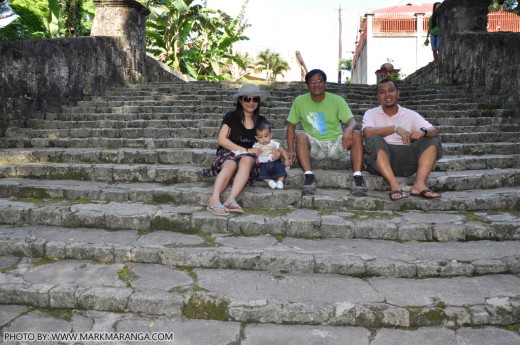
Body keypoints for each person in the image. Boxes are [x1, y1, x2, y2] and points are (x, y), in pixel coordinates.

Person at [285, 69, 367, 196]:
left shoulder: (337, 100)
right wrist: (290, 150)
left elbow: (352, 122)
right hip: (315, 145)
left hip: (337, 143)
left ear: (325, 83)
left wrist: (349, 129)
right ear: (307, 85)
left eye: (320, 81)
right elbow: (291, 127)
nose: (316, 84)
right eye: (312, 82)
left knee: (356, 134)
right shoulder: (299, 101)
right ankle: (309, 177)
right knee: (300, 135)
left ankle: (357, 178)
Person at [362, 78, 443, 201]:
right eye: (382, 92)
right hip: (380, 160)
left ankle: (419, 184)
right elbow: (367, 133)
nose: (387, 94)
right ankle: (394, 185)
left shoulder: (410, 114)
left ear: (398, 93)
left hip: (406, 159)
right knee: (374, 139)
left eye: (391, 90)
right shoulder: (370, 113)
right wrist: (395, 128)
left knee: (432, 140)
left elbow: (434, 130)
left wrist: (423, 132)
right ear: (377, 96)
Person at [202, 84, 270, 215]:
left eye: (255, 99)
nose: (251, 102)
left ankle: (230, 200)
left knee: (247, 160)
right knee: (230, 163)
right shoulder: (231, 116)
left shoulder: (261, 121)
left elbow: (265, 141)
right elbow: (222, 140)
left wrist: (274, 152)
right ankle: (214, 199)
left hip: (248, 157)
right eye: (247, 99)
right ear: (240, 100)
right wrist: (245, 149)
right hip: (228, 152)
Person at [253, 122, 290, 189]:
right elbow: (253, 154)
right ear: (256, 138)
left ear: (271, 135)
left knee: (281, 169)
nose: (264, 139)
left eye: (266, 136)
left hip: (274, 162)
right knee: (260, 173)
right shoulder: (256, 146)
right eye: (260, 137)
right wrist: (256, 152)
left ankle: (280, 181)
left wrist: (286, 159)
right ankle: (269, 182)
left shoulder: (274, 144)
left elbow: (282, 151)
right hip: (262, 164)